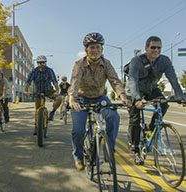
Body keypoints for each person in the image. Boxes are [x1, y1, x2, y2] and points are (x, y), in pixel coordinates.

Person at [68, 32, 130, 171]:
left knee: (114, 117)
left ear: (101, 49)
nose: (95, 50)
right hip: (81, 99)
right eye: (92, 47)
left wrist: (123, 96)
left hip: (100, 98)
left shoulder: (106, 63)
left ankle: (109, 150)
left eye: (97, 47)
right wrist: (72, 98)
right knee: (78, 130)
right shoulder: (80, 64)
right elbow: (75, 81)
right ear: (86, 50)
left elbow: (115, 81)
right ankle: (78, 157)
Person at [125, 36, 186, 165]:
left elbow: (173, 79)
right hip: (134, 91)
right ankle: (135, 149)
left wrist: (181, 97)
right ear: (146, 48)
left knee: (164, 105)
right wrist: (137, 99)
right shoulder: (136, 61)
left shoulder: (165, 61)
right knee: (135, 117)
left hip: (151, 88)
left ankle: (151, 129)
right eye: (153, 47)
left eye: (159, 48)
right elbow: (133, 81)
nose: (156, 50)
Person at [24, 55, 62, 134]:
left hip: (48, 90)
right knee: (37, 110)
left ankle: (52, 113)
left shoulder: (49, 70)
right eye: (39, 63)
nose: (41, 64)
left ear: (45, 63)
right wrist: (25, 90)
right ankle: (36, 127)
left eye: (43, 62)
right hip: (37, 91)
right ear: (37, 63)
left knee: (59, 98)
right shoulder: (34, 71)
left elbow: (54, 81)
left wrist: (57, 91)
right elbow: (28, 82)